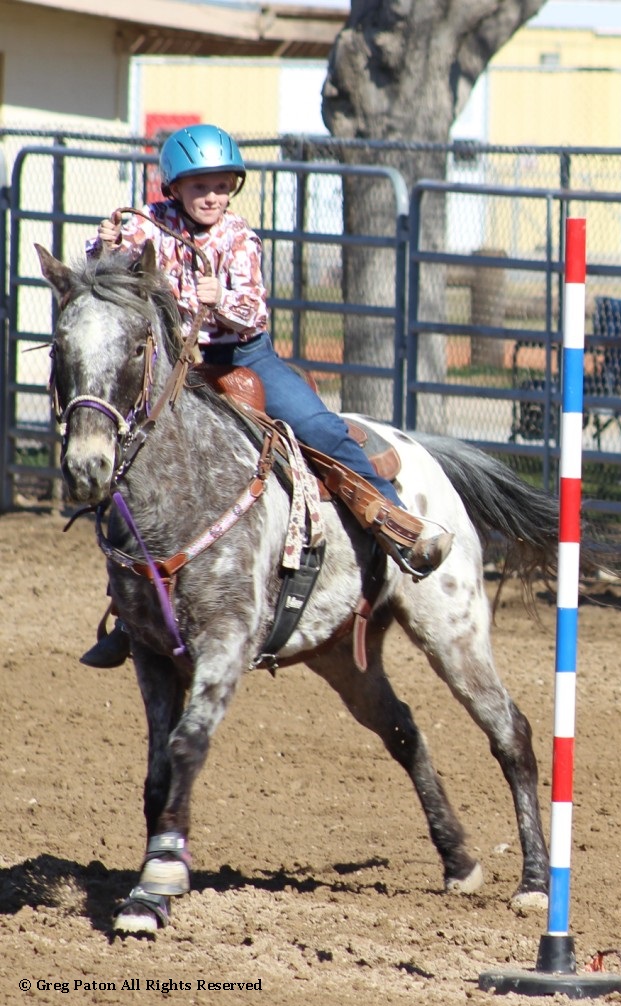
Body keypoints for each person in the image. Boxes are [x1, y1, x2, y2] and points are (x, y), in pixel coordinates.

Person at [81, 123, 452, 668]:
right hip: (173, 365)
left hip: (241, 357)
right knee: (133, 462)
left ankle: (394, 521)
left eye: (221, 185)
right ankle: (127, 607)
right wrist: (102, 244)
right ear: (174, 189)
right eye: (199, 186)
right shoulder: (146, 226)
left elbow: (253, 311)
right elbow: (104, 268)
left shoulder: (238, 237)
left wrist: (220, 299)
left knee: (321, 426)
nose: (212, 196)